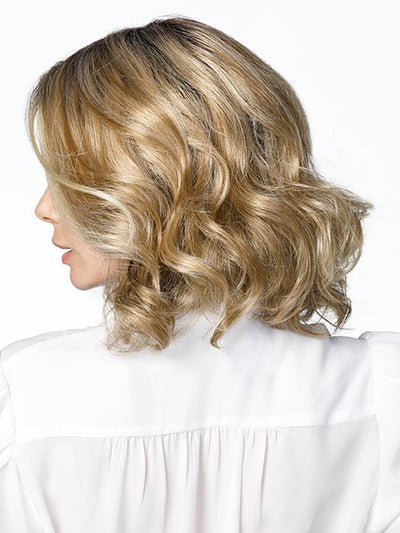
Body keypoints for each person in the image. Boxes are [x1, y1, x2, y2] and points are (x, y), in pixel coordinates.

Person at [0, 15, 399, 532]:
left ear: (146, 186)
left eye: (68, 180)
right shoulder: (378, 393)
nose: (44, 209)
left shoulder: (27, 396)